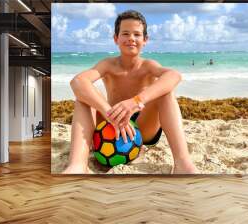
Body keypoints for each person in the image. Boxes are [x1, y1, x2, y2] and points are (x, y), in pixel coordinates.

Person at [62, 10, 198, 174]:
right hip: (110, 124)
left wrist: (135, 102)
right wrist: (109, 113)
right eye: (125, 33)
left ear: (145, 40)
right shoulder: (108, 65)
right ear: (116, 39)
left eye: (137, 34)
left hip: (143, 126)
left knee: (166, 92)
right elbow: (78, 81)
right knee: (83, 97)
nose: (131, 38)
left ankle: (183, 163)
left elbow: (174, 75)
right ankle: (77, 165)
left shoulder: (147, 65)